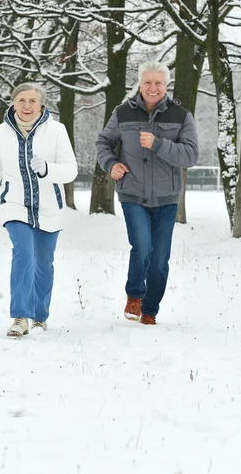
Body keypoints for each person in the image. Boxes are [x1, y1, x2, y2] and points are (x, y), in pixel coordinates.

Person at [0, 83, 78, 337]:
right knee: (24, 252)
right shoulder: (0, 132)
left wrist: (49, 169)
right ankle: (20, 317)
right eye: (21, 100)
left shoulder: (56, 130)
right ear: (13, 103)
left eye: (32, 101)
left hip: (49, 207)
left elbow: (71, 169)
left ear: (41, 104)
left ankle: (39, 315)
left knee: (43, 262)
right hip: (14, 205)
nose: (27, 106)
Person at [96, 61, 198, 325]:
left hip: (166, 197)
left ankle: (150, 308)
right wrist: (111, 164)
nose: (153, 88)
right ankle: (135, 295)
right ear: (140, 85)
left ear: (166, 85)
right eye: (148, 82)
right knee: (142, 246)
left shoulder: (181, 116)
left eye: (159, 83)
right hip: (132, 193)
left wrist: (159, 144)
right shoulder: (122, 113)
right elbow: (104, 143)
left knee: (160, 257)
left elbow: (190, 155)